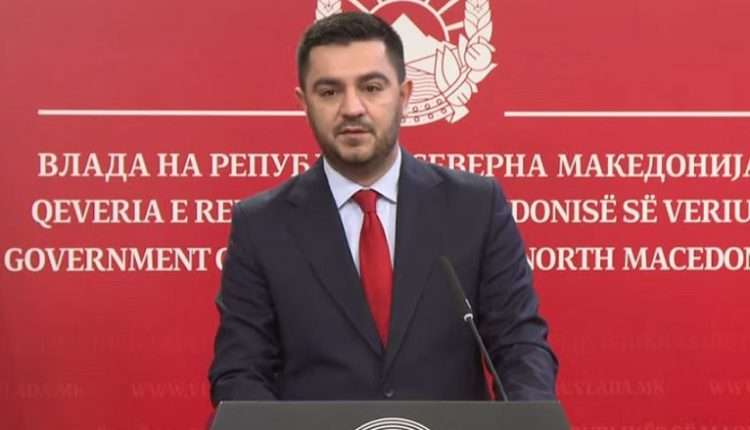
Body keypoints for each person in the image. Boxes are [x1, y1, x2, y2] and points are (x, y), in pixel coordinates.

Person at [208, 12, 557, 406]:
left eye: (371, 87)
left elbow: (520, 345)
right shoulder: (261, 225)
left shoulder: (476, 207)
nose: (352, 107)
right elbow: (240, 372)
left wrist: (528, 419)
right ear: (303, 103)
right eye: (329, 92)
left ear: (404, 95)